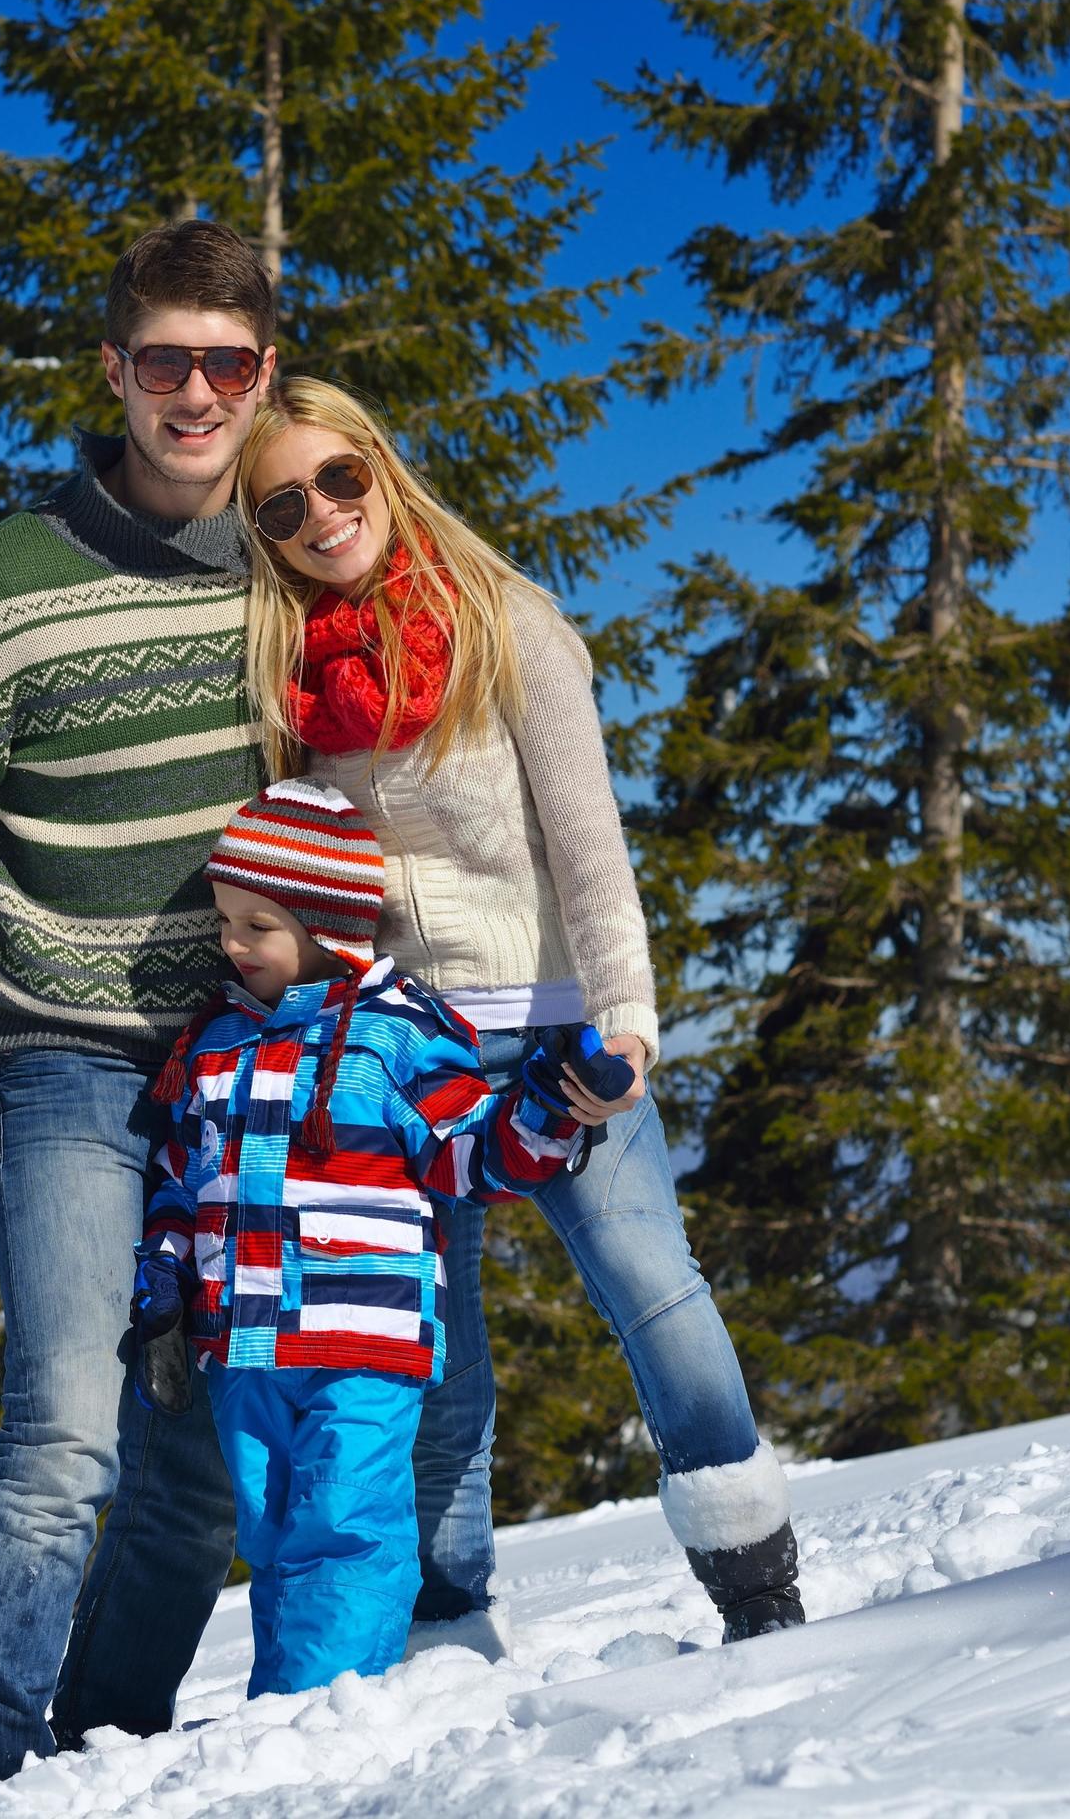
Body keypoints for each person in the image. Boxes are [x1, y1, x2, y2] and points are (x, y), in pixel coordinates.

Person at [227, 375, 804, 1646]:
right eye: (281, 505)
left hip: (555, 1035)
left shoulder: (509, 627)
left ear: (381, 467)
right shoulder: (289, 679)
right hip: (403, 1055)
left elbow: (591, 851)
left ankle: (758, 1586)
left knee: (655, 1289)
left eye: (338, 479)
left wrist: (629, 1025)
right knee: (435, 1352)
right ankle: (448, 1628)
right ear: (261, 536)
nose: (320, 514)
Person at [0, 220, 277, 1811]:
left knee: (198, 1471)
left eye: (224, 365)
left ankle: (95, 1765)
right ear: (115, 372)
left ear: (261, 377)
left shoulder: (290, 564)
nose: (194, 393)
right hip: (67, 1062)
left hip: (253, 1073)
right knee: (63, 1438)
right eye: (163, 360)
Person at [133, 779, 592, 1696]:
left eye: (256, 924)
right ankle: (298, 1701)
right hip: (244, 1344)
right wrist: (165, 1280)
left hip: (362, 1339)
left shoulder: (398, 1034)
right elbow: (183, 1177)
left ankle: (317, 1711)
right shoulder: (217, 1042)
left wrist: (545, 1107)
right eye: (226, 920)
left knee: (343, 1519)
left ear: (326, 923)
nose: (230, 943)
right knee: (267, 1528)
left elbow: (468, 1159)